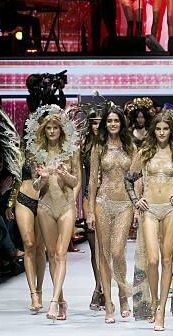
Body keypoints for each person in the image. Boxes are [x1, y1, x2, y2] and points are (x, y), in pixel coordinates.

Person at [125, 111, 173, 331]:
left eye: (165, 129)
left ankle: (161, 311)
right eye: (158, 129)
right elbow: (128, 179)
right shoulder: (145, 153)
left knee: (167, 260)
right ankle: (154, 301)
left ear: (171, 130)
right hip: (149, 209)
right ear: (153, 130)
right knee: (151, 260)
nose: (161, 132)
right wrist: (135, 200)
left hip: (170, 210)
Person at [25, 105, 81, 321]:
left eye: (55, 127)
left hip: (66, 205)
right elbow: (36, 186)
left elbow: (76, 181)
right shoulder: (37, 152)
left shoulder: (71, 151)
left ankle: (53, 302)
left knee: (61, 253)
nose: (51, 131)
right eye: (48, 128)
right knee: (51, 255)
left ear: (61, 129)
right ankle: (61, 300)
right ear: (43, 130)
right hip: (45, 206)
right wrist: (43, 178)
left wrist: (64, 174)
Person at [87, 106, 135, 323]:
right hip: (102, 203)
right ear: (105, 124)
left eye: (116, 120)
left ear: (121, 123)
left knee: (117, 252)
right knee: (103, 255)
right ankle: (108, 303)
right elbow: (92, 180)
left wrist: (137, 204)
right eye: (110, 121)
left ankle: (123, 294)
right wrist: (89, 210)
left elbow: (136, 177)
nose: (113, 124)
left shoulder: (130, 146)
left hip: (125, 203)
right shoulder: (98, 147)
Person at [5, 140, 46, 313]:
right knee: (28, 245)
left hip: (45, 200)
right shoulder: (20, 152)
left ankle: (40, 289)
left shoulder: (48, 150)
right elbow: (16, 178)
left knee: (40, 248)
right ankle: (33, 294)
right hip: (23, 198)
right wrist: (10, 203)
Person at [79, 111, 104, 311]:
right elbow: (81, 178)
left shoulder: (113, 144)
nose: (96, 127)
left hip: (112, 198)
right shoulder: (84, 147)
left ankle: (102, 289)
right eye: (93, 123)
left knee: (108, 250)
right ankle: (99, 288)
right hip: (90, 197)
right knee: (95, 248)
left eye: (99, 123)